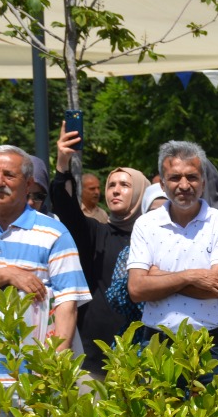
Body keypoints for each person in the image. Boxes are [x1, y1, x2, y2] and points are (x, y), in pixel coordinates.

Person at [0, 145, 90, 399]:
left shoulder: (54, 233)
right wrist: (7, 274)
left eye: (8, 175)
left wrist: (55, 366)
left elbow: (68, 302)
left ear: (28, 184)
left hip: (34, 375)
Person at [126, 140, 218, 375]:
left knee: (215, 413)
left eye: (192, 177)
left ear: (204, 182)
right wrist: (192, 276)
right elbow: (136, 289)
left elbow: (216, 288)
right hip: (157, 346)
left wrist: (157, 278)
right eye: (175, 177)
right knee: (157, 413)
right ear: (162, 183)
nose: (184, 185)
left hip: (211, 347)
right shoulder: (146, 224)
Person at [53, 123, 149, 375]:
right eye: (111, 185)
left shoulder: (154, 237)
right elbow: (66, 208)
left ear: (141, 192)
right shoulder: (97, 232)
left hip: (143, 353)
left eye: (125, 185)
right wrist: (63, 164)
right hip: (94, 354)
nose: (115, 190)